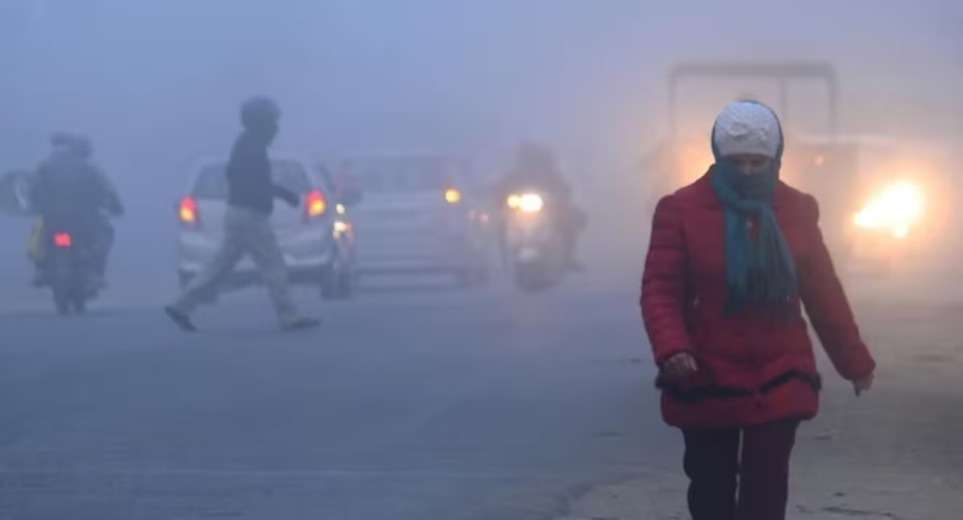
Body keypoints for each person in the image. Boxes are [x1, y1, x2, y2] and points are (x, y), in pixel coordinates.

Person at [640, 101, 876, 520]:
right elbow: (660, 290)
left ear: (775, 158)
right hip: (705, 372)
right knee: (711, 491)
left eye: (757, 161)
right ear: (718, 156)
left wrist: (854, 361)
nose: (747, 171)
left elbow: (823, 292)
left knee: (765, 494)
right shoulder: (680, 211)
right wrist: (672, 348)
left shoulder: (797, 211)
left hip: (779, 371)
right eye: (737, 162)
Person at [164, 96, 319, 332]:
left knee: (219, 266)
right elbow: (256, 183)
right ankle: (289, 315)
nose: (275, 128)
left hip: (238, 214)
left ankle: (181, 305)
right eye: (271, 121)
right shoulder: (252, 148)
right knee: (274, 265)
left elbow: (239, 178)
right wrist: (284, 194)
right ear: (259, 122)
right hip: (250, 216)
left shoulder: (245, 145)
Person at [29, 132, 123, 287]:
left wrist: (36, 205)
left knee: (40, 235)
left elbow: (33, 190)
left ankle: (40, 270)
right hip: (83, 219)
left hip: (55, 218)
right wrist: (116, 206)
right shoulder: (90, 168)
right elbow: (107, 189)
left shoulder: (45, 166)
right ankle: (97, 273)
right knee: (104, 235)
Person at [493, 142, 586, 269]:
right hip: (518, 213)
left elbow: (564, 189)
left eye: (533, 158)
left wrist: (558, 199)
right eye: (528, 158)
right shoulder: (516, 174)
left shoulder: (550, 174)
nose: (531, 162)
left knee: (567, 221)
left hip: (547, 211)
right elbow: (501, 187)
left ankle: (569, 257)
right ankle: (503, 258)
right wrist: (498, 197)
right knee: (501, 224)